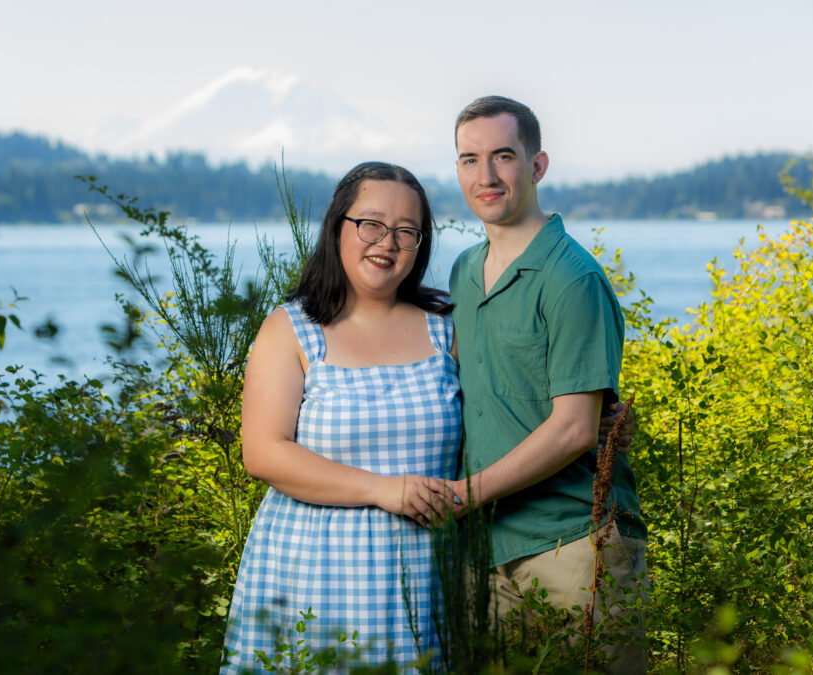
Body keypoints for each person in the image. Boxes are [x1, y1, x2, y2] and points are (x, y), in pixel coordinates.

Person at [221, 161, 462, 673]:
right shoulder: (291, 328)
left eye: (406, 231)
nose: (387, 242)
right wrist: (383, 489)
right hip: (312, 569)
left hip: (424, 573)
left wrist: (591, 416)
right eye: (371, 224)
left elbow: (505, 407)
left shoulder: (447, 326)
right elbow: (264, 452)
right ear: (338, 227)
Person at [441, 96, 647, 672]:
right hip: (485, 552)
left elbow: (575, 428)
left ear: (537, 165)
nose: (485, 176)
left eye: (503, 156)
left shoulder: (571, 277)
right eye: (469, 159)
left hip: (574, 546)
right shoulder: (463, 271)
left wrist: (463, 495)